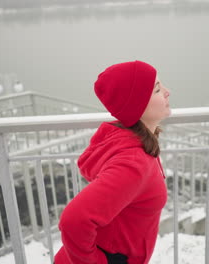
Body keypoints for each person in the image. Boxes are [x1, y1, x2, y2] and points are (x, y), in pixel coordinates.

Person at [54, 60, 171, 264]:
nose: (167, 92)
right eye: (157, 90)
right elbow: (73, 221)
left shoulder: (133, 145)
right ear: (138, 105)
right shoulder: (133, 163)